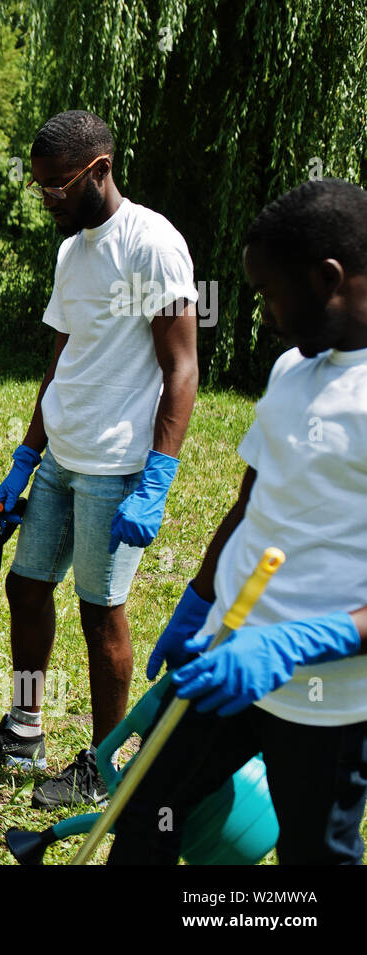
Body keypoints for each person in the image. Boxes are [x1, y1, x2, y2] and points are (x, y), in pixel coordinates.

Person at [109, 178, 367, 864]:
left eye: (271, 294)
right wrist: (199, 601)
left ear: (329, 278)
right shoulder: (291, 369)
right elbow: (252, 501)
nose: (268, 317)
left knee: (315, 856)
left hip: (327, 699)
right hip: (230, 660)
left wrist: (299, 642)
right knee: (146, 814)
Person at [0, 110, 200, 808]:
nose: (46, 198)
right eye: (41, 187)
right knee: (26, 586)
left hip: (116, 465)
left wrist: (158, 478)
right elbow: (61, 363)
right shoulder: (71, 252)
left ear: (100, 170)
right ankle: (25, 728)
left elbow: (181, 369)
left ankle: (108, 766)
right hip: (61, 458)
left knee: (99, 611)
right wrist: (27, 455)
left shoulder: (150, 245)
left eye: (56, 186)